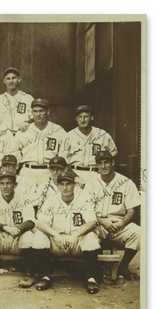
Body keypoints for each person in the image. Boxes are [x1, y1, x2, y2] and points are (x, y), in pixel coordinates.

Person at [36, 171, 102, 294]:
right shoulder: (51, 199)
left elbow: (92, 222)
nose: (65, 187)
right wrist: (55, 235)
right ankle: (45, 276)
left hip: (77, 242)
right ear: (58, 186)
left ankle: (91, 279)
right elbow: (40, 223)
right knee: (39, 236)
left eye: (68, 184)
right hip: (57, 243)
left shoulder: (84, 198)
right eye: (62, 184)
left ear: (74, 185)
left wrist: (76, 235)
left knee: (91, 238)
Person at [0, 171, 44, 287]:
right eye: (2, 183)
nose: (5, 187)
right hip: (0, 237)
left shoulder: (24, 199)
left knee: (29, 236)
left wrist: (13, 234)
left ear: (15, 185)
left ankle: (29, 273)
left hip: (17, 236)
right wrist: (5, 228)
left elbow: (30, 222)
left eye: (9, 183)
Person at [85, 151, 141, 280]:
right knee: (87, 236)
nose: (103, 166)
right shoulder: (91, 183)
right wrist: (102, 221)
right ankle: (96, 269)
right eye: (100, 163)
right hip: (97, 222)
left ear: (113, 163)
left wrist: (122, 223)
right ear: (97, 166)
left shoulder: (126, 182)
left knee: (138, 233)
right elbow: (86, 209)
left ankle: (123, 266)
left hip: (118, 223)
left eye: (106, 162)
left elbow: (132, 210)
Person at [13, 98, 69, 187]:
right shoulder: (23, 132)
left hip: (49, 172)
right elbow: (15, 155)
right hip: (27, 171)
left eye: (41, 111)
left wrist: (58, 172)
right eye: (35, 111)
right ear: (31, 113)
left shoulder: (58, 130)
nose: (38, 114)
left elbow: (64, 155)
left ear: (48, 112)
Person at [67, 105, 118, 183]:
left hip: (97, 174)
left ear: (92, 117)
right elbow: (63, 161)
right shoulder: (69, 136)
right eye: (80, 117)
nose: (82, 120)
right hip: (75, 174)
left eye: (86, 117)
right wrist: (75, 177)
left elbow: (113, 156)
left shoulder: (103, 135)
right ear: (76, 119)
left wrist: (106, 175)